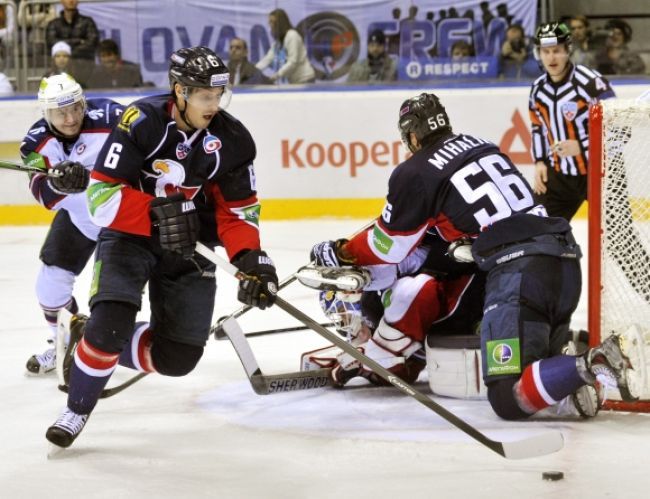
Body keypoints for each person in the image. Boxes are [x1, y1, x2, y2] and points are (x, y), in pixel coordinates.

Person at [310, 92, 638, 421]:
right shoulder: (482, 146)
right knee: (531, 367)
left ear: (411, 135)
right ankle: (571, 377)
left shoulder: (416, 171)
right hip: (564, 257)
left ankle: (591, 361)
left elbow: (388, 246)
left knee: (506, 397)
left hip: (518, 272)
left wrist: (341, 251)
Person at [45, 46, 279, 449]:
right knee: (109, 328)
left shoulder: (234, 139)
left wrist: (251, 260)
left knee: (177, 359)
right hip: (129, 237)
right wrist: (156, 213)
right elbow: (101, 199)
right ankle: (77, 407)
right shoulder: (142, 121)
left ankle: (85, 335)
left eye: (218, 95)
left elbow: (238, 213)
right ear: (180, 91)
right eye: (205, 96)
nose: (214, 104)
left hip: (187, 245)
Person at [20, 73, 123, 375]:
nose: (70, 118)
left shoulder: (112, 116)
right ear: (46, 113)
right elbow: (43, 194)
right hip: (79, 218)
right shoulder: (36, 143)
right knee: (49, 287)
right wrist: (61, 185)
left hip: (120, 218)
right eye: (60, 112)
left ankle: (105, 350)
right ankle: (64, 341)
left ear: (83, 102)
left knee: (110, 294)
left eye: (75, 108)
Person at [529, 21, 615, 221]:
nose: (551, 57)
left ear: (568, 50)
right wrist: (540, 161)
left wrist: (583, 147)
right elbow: (537, 126)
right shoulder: (538, 89)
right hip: (558, 175)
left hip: (600, 173)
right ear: (538, 54)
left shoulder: (591, 83)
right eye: (545, 51)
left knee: (620, 237)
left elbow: (619, 130)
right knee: (539, 229)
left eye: (557, 50)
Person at [45, 0, 99, 87]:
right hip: (60, 69)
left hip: (86, 68)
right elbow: (51, 43)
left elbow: (92, 43)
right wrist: (78, 41)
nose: (71, 1)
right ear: (62, 1)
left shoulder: (88, 22)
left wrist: (66, 51)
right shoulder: (53, 24)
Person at [256, 8, 316, 84]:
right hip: (295, 81)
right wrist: (253, 71)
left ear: (279, 23)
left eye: (271, 22)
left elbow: (293, 62)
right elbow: (268, 58)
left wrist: (276, 76)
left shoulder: (292, 36)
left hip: (305, 79)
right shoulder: (279, 42)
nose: (269, 25)